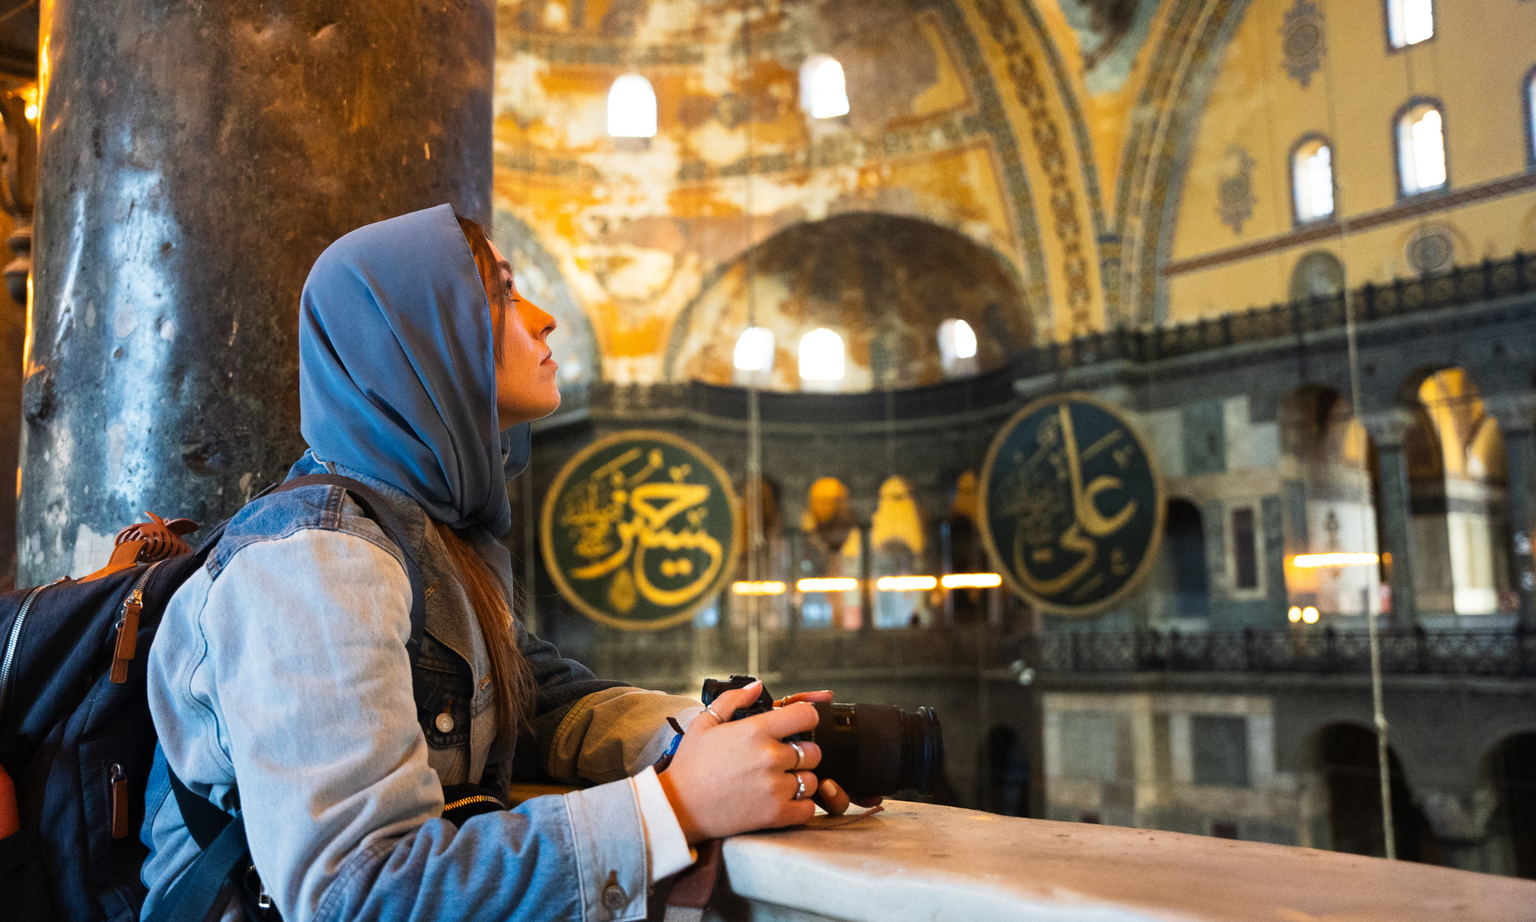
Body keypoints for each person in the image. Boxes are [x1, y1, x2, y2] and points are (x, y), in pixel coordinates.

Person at [140, 204, 870, 922]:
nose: (543, 316)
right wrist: (672, 808)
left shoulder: (428, 535)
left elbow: (542, 703)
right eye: (500, 294)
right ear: (420, 342)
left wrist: (738, 734)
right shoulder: (316, 564)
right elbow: (356, 894)